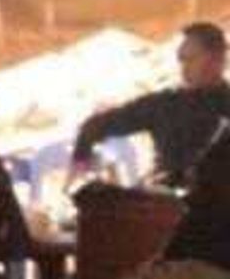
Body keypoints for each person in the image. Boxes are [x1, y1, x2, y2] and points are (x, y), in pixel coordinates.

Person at [71, 21, 230, 194]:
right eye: (181, 59)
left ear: (218, 60)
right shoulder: (164, 104)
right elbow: (95, 126)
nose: (183, 67)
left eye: (190, 59)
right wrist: (81, 163)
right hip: (167, 205)